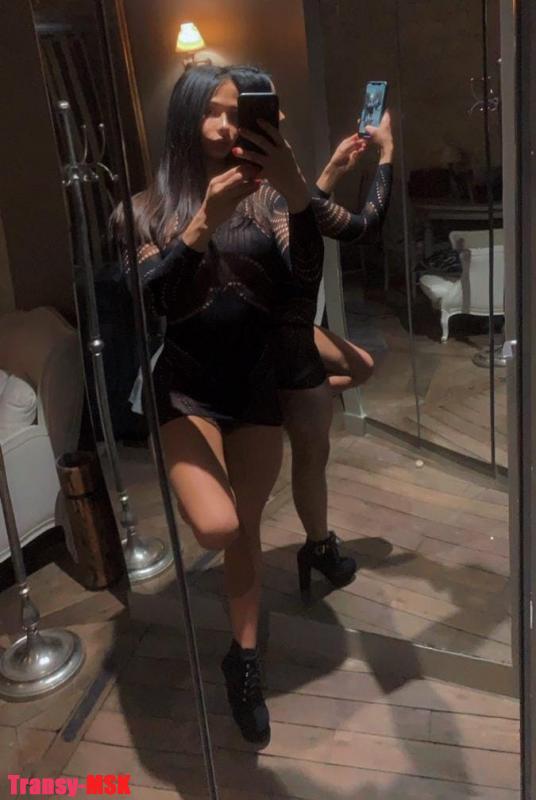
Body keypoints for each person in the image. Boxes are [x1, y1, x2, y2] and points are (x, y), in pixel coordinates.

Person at [113, 65, 324, 745]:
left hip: (255, 387)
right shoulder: (143, 210)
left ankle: (245, 657)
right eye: (212, 111)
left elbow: (302, 290)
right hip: (186, 388)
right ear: (184, 116)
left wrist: (297, 195)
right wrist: (204, 220)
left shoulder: (269, 203)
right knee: (218, 526)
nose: (227, 125)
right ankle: (243, 646)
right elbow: (153, 300)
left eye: (238, 112)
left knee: (248, 530)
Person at [228, 65, 393, 596]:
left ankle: (288, 413)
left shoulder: (244, 192)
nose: (278, 114)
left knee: (361, 368)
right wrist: (387, 154)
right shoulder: (271, 193)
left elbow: (294, 213)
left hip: (282, 333)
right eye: (265, 109)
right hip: (287, 350)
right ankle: (318, 546)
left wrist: (329, 172)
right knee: (309, 460)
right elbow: (364, 225)